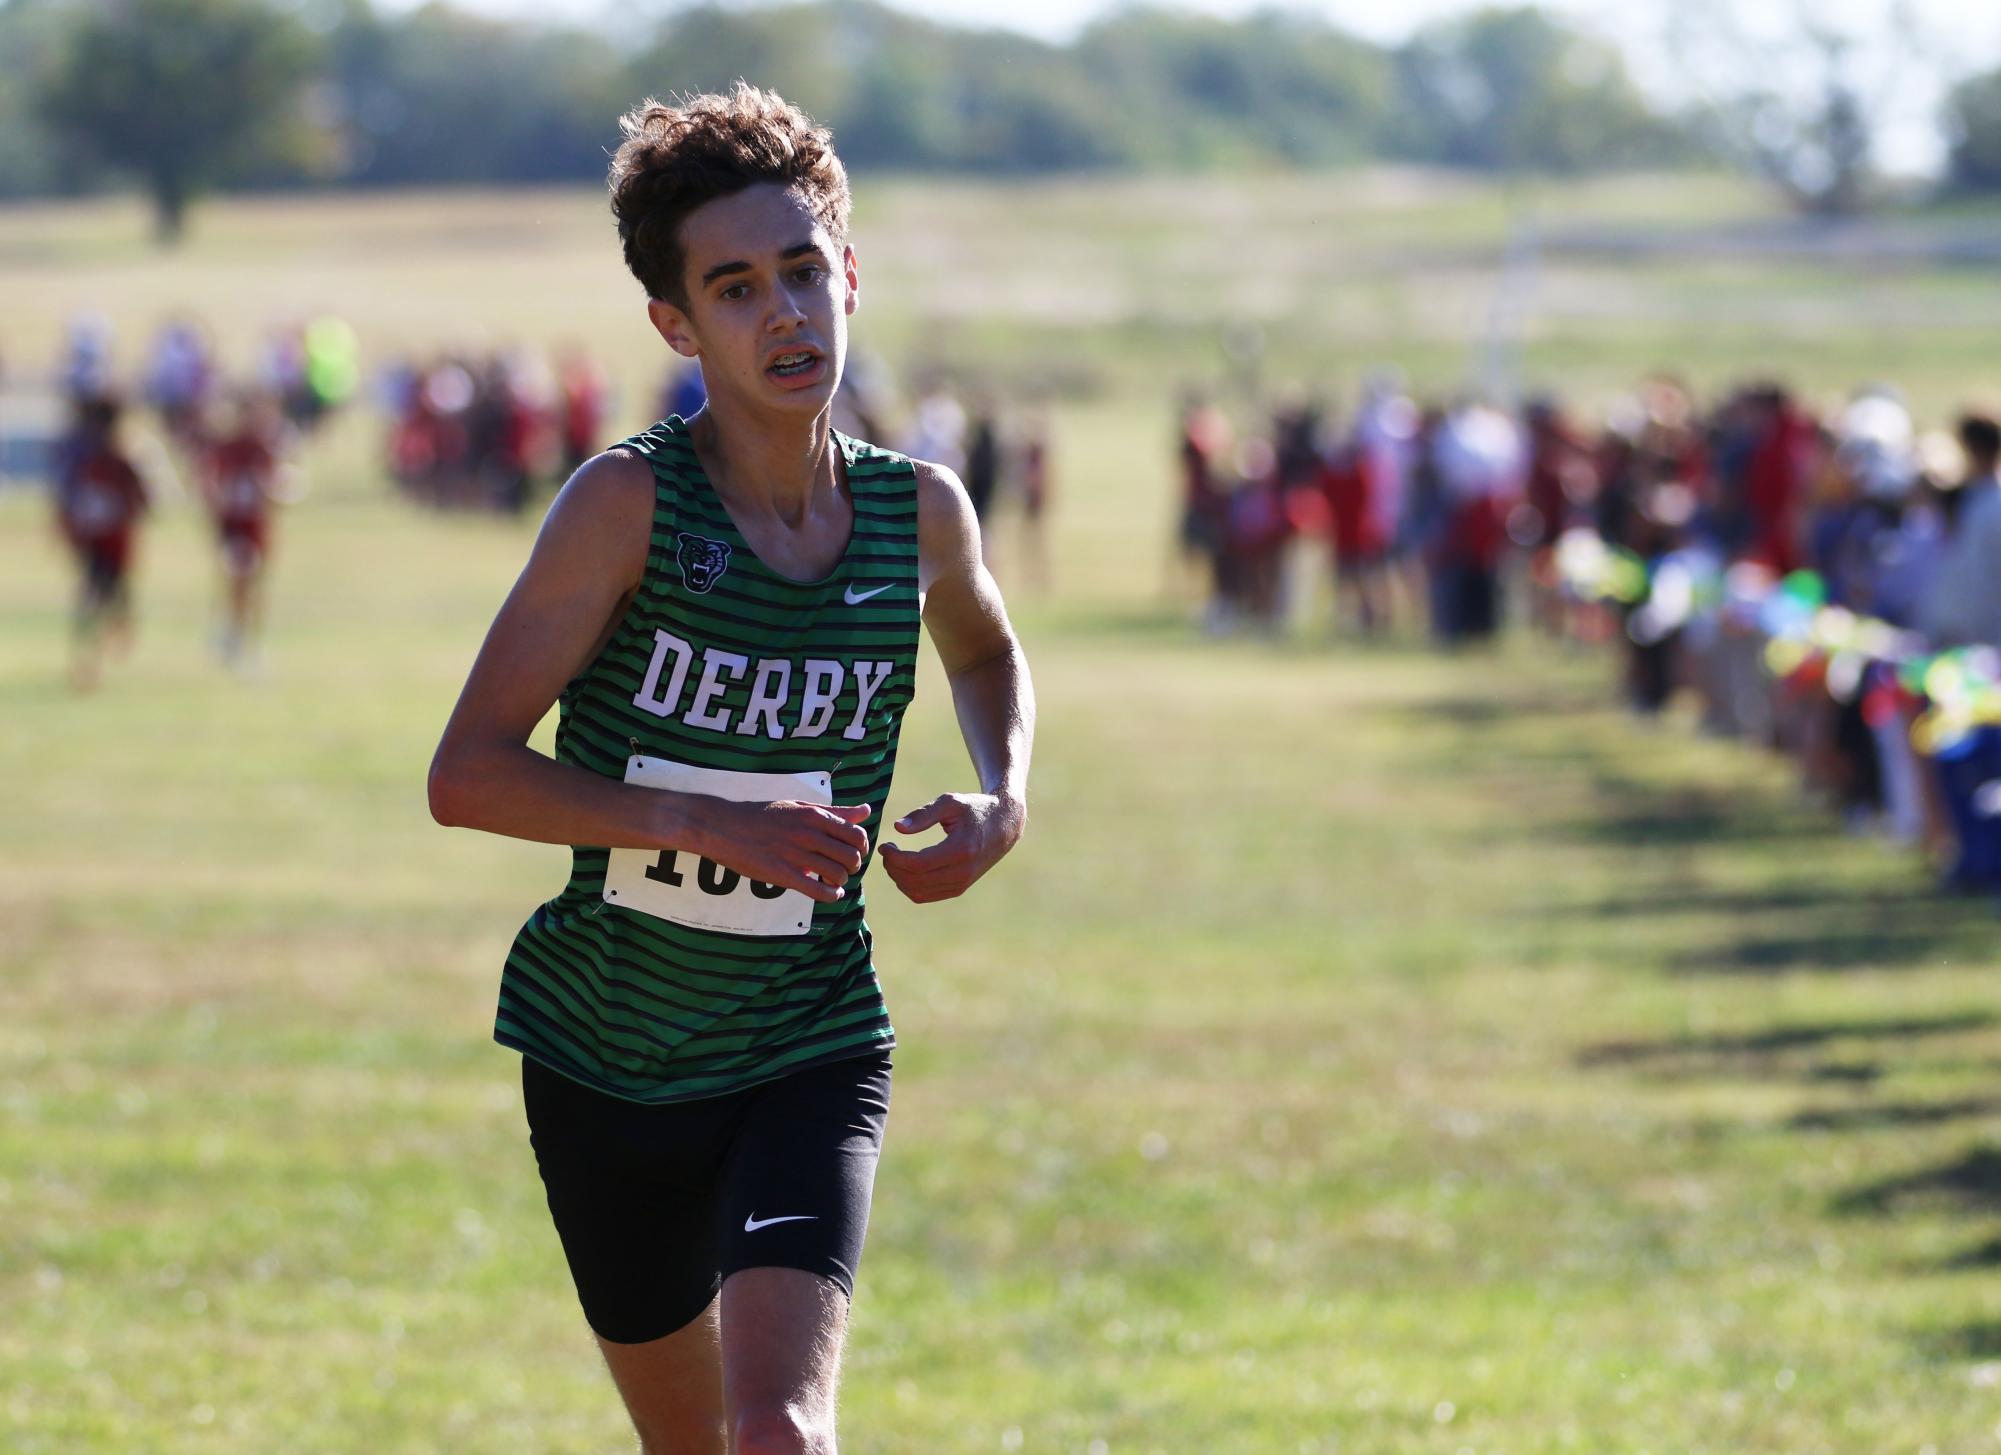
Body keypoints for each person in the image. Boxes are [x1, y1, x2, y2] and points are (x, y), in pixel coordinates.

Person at [427, 85, 1034, 1455]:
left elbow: (990, 658)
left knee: (778, 1434)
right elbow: (464, 773)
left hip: (803, 1041)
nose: (785, 313)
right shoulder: (626, 505)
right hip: (604, 1061)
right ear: (675, 323)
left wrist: (1002, 793)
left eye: (805, 271)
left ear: (850, 276)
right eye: (737, 285)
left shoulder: (919, 512)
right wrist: (705, 817)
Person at [53, 393, 149, 692]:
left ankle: (104, 645)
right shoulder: (86, 460)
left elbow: (142, 501)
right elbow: (69, 501)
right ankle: (87, 662)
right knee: (93, 598)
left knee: (111, 598)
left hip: (115, 544)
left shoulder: (120, 461)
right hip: (95, 544)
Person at [200, 388, 291, 673]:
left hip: (256, 525)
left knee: (254, 585)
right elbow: (211, 482)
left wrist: (276, 494)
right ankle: (234, 636)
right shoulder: (227, 447)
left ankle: (241, 636)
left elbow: (275, 485)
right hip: (233, 524)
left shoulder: (263, 447)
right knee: (238, 579)